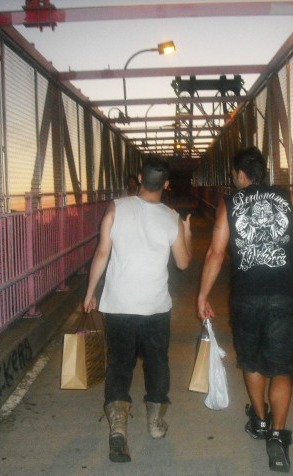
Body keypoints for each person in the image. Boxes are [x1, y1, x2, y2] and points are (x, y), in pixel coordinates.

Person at [197, 146, 293, 473]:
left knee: (251, 360)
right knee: (281, 367)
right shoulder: (289, 198)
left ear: (240, 174)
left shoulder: (230, 204)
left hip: (247, 297)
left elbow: (215, 254)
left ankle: (261, 422)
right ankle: (277, 437)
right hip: (284, 296)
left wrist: (202, 296)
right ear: (262, 172)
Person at [83, 156, 192, 463]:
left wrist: (91, 293)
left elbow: (102, 252)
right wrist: (188, 233)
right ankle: (155, 425)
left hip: (117, 306)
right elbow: (183, 263)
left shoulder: (116, 207)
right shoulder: (171, 217)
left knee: (119, 365)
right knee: (157, 363)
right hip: (155, 307)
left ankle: (118, 429)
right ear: (166, 185)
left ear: (140, 180)